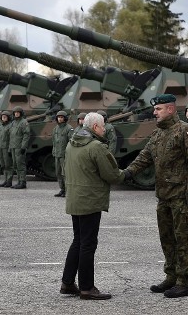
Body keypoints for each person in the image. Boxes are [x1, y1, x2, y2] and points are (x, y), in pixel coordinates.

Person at [124, 94, 188, 298]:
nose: (154, 112)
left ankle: (184, 281)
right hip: (164, 196)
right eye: (155, 109)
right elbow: (145, 156)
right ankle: (171, 276)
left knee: (183, 238)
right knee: (167, 238)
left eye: (158, 109)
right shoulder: (158, 133)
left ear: (170, 109)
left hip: (181, 197)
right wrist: (127, 173)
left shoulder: (185, 130)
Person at [59, 112, 127, 300]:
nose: (105, 129)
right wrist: (127, 174)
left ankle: (67, 283)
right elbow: (112, 175)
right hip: (89, 201)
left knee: (78, 241)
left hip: (75, 199)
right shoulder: (96, 146)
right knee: (88, 244)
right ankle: (87, 288)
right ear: (95, 127)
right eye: (103, 126)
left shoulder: (71, 143)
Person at [52, 110, 73, 197]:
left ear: (65, 118)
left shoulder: (69, 128)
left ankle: (67, 190)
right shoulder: (55, 128)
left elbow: (71, 142)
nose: (60, 119)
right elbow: (53, 141)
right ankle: (62, 189)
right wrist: (54, 150)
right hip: (57, 154)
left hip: (65, 154)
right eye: (58, 117)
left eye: (62, 117)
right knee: (58, 172)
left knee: (65, 173)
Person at [9, 107, 30, 189]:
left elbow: (26, 135)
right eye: (15, 112)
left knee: (20, 165)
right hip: (13, 147)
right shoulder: (13, 123)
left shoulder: (24, 122)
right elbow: (11, 136)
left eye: (18, 112)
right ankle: (19, 181)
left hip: (19, 147)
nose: (16, 114)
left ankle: (23, 182)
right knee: (15, 165)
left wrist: (23, 147)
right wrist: (10, 148)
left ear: (21, 113)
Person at [0, 111, 13, 187]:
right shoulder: (1, 126)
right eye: (2, 117)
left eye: (5, 117)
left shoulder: (10, 126)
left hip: (6, 148)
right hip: (1, 148)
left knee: (8, 165)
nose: (3, 118)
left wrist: (10, 149)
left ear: (8, 118)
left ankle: (9, 181)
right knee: (3, 165)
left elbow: (11, 139)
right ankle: (5, 180)